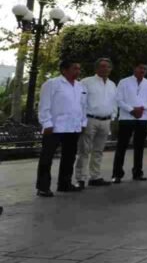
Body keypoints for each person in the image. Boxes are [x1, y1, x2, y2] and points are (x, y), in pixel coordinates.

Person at [35, 60, 87, 197]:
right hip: (54, 127)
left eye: (79, 69)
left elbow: (83, 107)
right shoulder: (52, 84)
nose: (78, 71)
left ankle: (65, 184)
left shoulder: (80, 86)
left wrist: (83, 123)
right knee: (47, 158)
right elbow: (44, 105)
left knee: (69, 157)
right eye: (75, 68)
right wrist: (46, 123)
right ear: (64, 70)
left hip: (73, 127)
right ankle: (43, 187)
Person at [76, 58, 116, 188]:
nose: (105, 69)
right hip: (90, 120)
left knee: (98, 151)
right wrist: (82, 121)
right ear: (97, 68)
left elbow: (114, 102)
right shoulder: (86, 82)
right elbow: (80, 102)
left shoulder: (112, 84)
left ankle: (95, 177)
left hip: (105, 121)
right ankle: (81, 178)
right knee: (84, 150)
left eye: (108, 67)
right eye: (103, 66)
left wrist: (113, 116)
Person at [113, 62, 147, 183]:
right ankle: (117, 174)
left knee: (139, 147)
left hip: (142, 118)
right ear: (134, 68)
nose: (143, 70)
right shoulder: (124, 82)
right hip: (127, 118)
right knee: (122, 146)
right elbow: (118, 99)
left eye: (145, 68)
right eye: (140, 68)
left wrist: (142, 108)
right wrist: (131, 110)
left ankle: (137, 173)